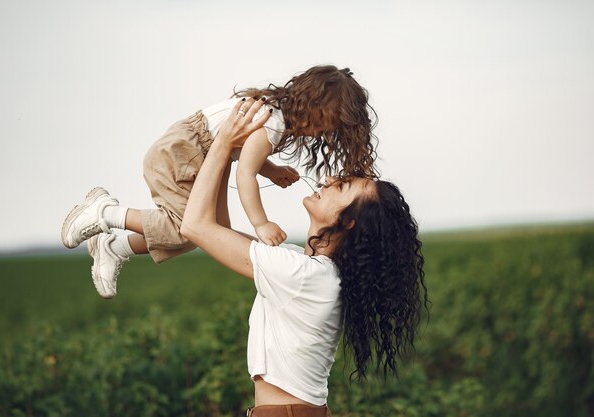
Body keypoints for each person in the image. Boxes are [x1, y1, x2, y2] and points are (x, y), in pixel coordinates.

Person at [179, 97, 428, 416]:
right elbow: (217, 230)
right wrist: (227, 154)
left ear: (347, 222)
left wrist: (225, 139)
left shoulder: (303, 275)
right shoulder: (310, 270)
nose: (328, 180)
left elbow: (196, 226)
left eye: (343, 186)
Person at [61, 65, 378, 299]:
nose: (322, 132)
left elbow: (248, 155)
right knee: (186, 226)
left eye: (330, 129)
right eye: (325, 122)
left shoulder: (277, 116)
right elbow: (245, 174)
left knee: (206, 232)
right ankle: (106, 213)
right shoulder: (275, 123)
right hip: (184, 151)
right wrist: (261, 223)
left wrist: (272, 170)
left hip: (199, 154)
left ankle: (115, 246)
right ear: (311, 103)